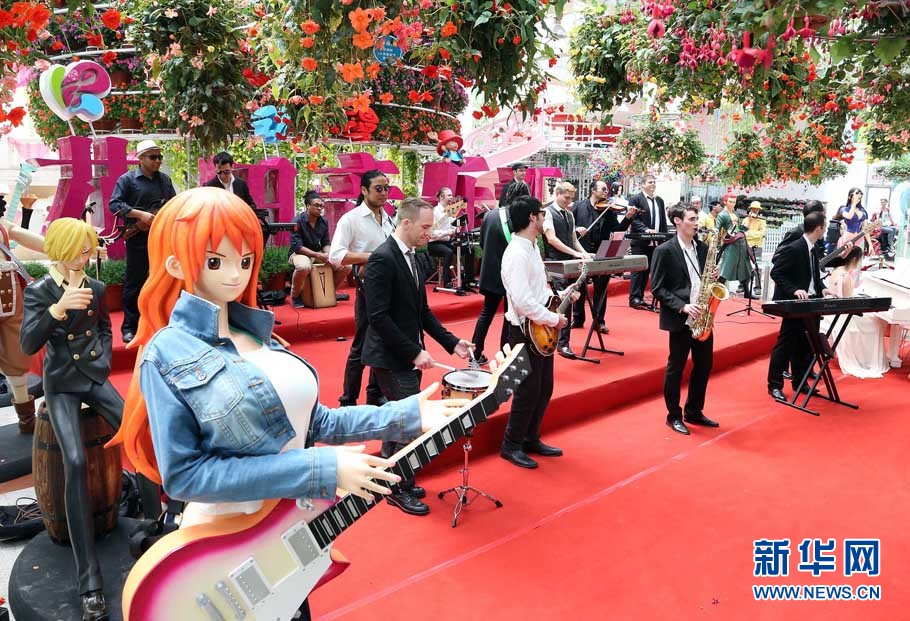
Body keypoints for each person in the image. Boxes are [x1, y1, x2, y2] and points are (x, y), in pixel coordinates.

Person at [111, 188, 464, 619]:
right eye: (215, 261)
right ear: (174, 263)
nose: (235, 275)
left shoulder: (260, 335)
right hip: (226, 548)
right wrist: (319, 468)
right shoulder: (166, 353)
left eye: (245, 260)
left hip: (289, 533)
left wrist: (405, 415)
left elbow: (317, 423)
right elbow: (184, 475)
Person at [20, 218, 124, 620]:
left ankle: (156, 521)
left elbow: (105, 330)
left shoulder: (95, 287)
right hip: (61, 384)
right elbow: (29, 342)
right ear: (61, 249)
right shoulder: (40, 291)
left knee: (137, 429)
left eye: (88, 248)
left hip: (93, 376)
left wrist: (102, 361)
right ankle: (89, 581)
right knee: (75, 461)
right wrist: (57, 310)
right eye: (80, 249)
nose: (85, 255)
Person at [362, 197, 473, 515]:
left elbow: (422, 312)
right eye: (425, 227)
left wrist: (452, 343)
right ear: (406, 223)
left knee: (400, 422)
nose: (430, 233)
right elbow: (378, 317)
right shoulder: (382, 258)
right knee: (409, 425)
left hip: (407, 354)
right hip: (391, 357)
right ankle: (397, 488)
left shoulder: (413, 256)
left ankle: (393, 480)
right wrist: (414, 352)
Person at [499, 195, 577, 469]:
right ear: (532, 217)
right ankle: (511, 445)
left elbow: (538, 292)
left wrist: (561, 296)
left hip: (539, 327)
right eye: (542, 213)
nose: (546, 218)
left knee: (544, 387)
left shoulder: (532, 246)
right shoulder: (516, 253)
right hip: (524, 330)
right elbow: (522, 301)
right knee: (527, 390)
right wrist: (553, 319)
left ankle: (530, 438)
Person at [650, 203, 719, 436]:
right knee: (676, 368)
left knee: (704, 365)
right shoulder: (664, 251)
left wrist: (716, 276)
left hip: (703, 316)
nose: (696, 223)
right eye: (691, 219)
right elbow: (657, 288)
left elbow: (705, 279)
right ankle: (673, 415)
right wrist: (683, 306)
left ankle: (694, 410)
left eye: (696, 219)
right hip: (682, 318)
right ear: (677, 221)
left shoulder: (702, 247)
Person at [328, 170, 396, 407]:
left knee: (383, 342)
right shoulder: (351, 219)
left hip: (390, 287)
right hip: (368, 288)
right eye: (378, 188)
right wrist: (371, 257)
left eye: (386, 188)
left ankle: (374, 393)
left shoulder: (389, 218)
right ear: (364, 190)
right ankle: (348, 399)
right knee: (361, 344)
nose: (384, 193)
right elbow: (335, 255)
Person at [109, 139, 177, 343]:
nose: (158, 161)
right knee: (135, 283)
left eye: (159, 157)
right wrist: (140, 215)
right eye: (153, 157)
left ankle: (160, 323)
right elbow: (114, 204)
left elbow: (173, 204)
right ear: (140, 158)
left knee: (162, 281)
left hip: (161, 238)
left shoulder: (165, 180)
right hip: (137, 238)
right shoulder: (127, 180)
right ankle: (130, 327)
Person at [767, 212, 834, 402]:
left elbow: (813, 276)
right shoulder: (795, 248)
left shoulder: (813, 248)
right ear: (819, 228)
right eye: (824, 227)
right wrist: (794, 290)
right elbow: (776, 273)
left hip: (812, 303)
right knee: (785, 345)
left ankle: (800, 382)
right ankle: (774, 385)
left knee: (806, 346)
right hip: (795, 304)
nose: (825, 230)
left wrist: (823, 288)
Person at [0, 200, 45, 433]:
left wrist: (62, 245)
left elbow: (24, 235)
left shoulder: (2, 226)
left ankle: (26, 419)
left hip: (10, 301)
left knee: (17, 359)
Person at [571, 180, 637, 334]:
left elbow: (617, 229)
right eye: (603, 189)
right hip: (582, 251)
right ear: (593, 190)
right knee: (579, 285)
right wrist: (577, 229)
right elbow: (570, 224)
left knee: (601, 288)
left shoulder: (608, 209)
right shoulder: (579, 206)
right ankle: (578, 318)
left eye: (607, 190)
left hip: (602, 251)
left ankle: (599, 321)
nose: (606, 192)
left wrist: (628, 218)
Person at [821, 247, 889, 378]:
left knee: (873, 320)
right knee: (876, 323)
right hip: (842, 313)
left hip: (832, 310)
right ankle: (867, 359)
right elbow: (848, 302)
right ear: (854, 259)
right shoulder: (846, 276)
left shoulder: (837, 270)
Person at [542, 182, 590, 358]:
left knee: (570, 300)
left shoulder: (569, 214)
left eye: (571, 199)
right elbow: (552, 239)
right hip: (555, 262)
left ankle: (562, 341)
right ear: (557, 194)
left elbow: (574, 240)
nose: (568, 202)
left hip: (570, 262)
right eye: (566, 198)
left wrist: (585, 254)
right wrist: (575, 253)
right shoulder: (547, 212)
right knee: (561, 304)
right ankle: (561, 343)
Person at [288, 190, 351, 307]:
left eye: (321, 206)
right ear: (308, 206)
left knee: (346, 266)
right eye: (316, 205)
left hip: (318, 252)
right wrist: (318, 255)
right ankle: (295, 296)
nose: (320, 208)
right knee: (303, 267)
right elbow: (298, 247)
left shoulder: (323, 221)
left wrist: (329, 255)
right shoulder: (297, 221)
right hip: (300, 253)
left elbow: (325, 243)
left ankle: (329, 292)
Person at [470, 202, 513, 366]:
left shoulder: (489, 215)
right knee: (510, 315)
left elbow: (482, 243)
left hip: (490, 271)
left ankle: (475, 353)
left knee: (486, 313)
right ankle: (505, 354)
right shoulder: (516, 215)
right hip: (510, 272)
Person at [628, 174, 667, 309]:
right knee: (638, 270)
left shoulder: (659, 200)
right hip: (640, 241)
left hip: (655, 241)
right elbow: (633, 219)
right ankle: (634, 298)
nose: (653, 184)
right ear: (643, 184)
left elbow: (662, 220)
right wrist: (645, 230)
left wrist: (663, 237)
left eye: (654, 182)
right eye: (650, 182)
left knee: (648, 269)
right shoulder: (635, 199)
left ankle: (640, 296)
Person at [427, 187, 474, 291]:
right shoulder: (434, 212)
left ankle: (469, 279)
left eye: (451, 195)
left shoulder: (450, 211)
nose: (451, 197)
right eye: (449, 195)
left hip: (447, 242)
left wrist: (459, 225)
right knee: (448, 252)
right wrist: (448, 232)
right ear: (441, 197)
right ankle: (447, 281)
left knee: (469, 248)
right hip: (434, 244)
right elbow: (431, 233)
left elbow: (454, 226)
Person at [715, 193, 753, 295]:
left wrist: (749, 221)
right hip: (731, 244)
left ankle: (747, 292)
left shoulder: (735, 213)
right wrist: (717, 234)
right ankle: (717, 293)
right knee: (726, 268)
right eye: (730, 202)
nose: (732, 204)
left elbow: (739, 227)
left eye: (734, 202)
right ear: (725, 202)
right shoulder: (722, 215)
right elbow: (717, 228)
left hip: (741, 242)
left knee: (745, 267)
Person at [742, 200, 767, 297]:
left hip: (757, 246)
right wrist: (751, 233)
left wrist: (749, 234)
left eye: (757, 209)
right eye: (753, 209)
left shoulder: (762, 221)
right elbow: (743, 233)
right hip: (746, 245)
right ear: (750, 209)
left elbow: (761, 234)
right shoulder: (745, 220)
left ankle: (758, 287)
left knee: (757, 267)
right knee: (744, 266)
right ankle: (743, 285)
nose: (755, 211)